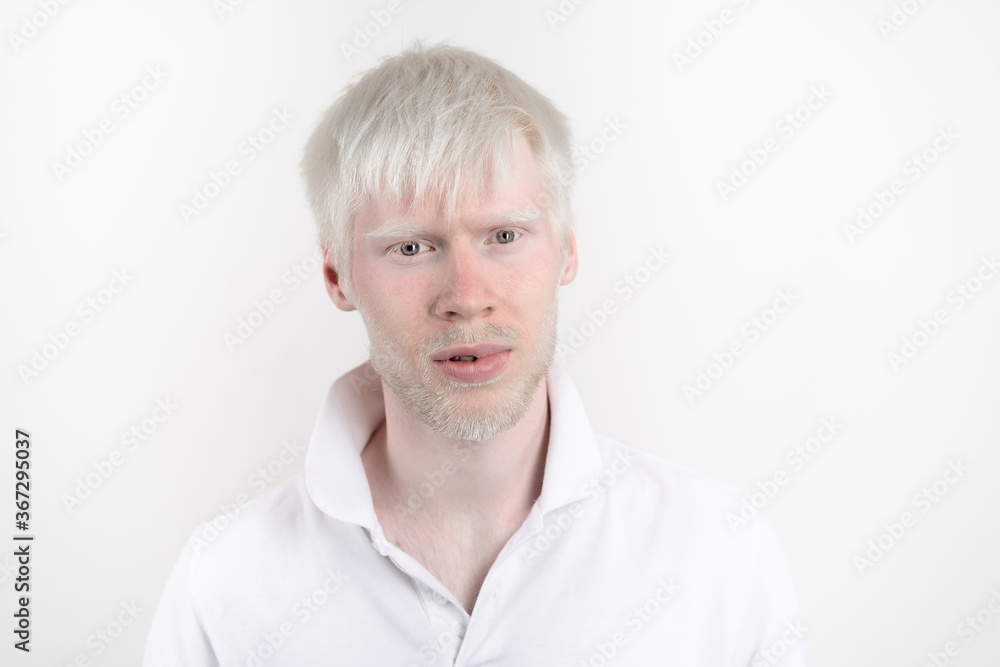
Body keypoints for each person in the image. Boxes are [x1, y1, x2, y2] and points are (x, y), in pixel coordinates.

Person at [143, 42, 807, 666]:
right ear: (337, 274)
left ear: (568, 249)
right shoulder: (225, 585)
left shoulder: (719, 558)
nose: (466, 298)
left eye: (504, 235)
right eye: (411, 247)